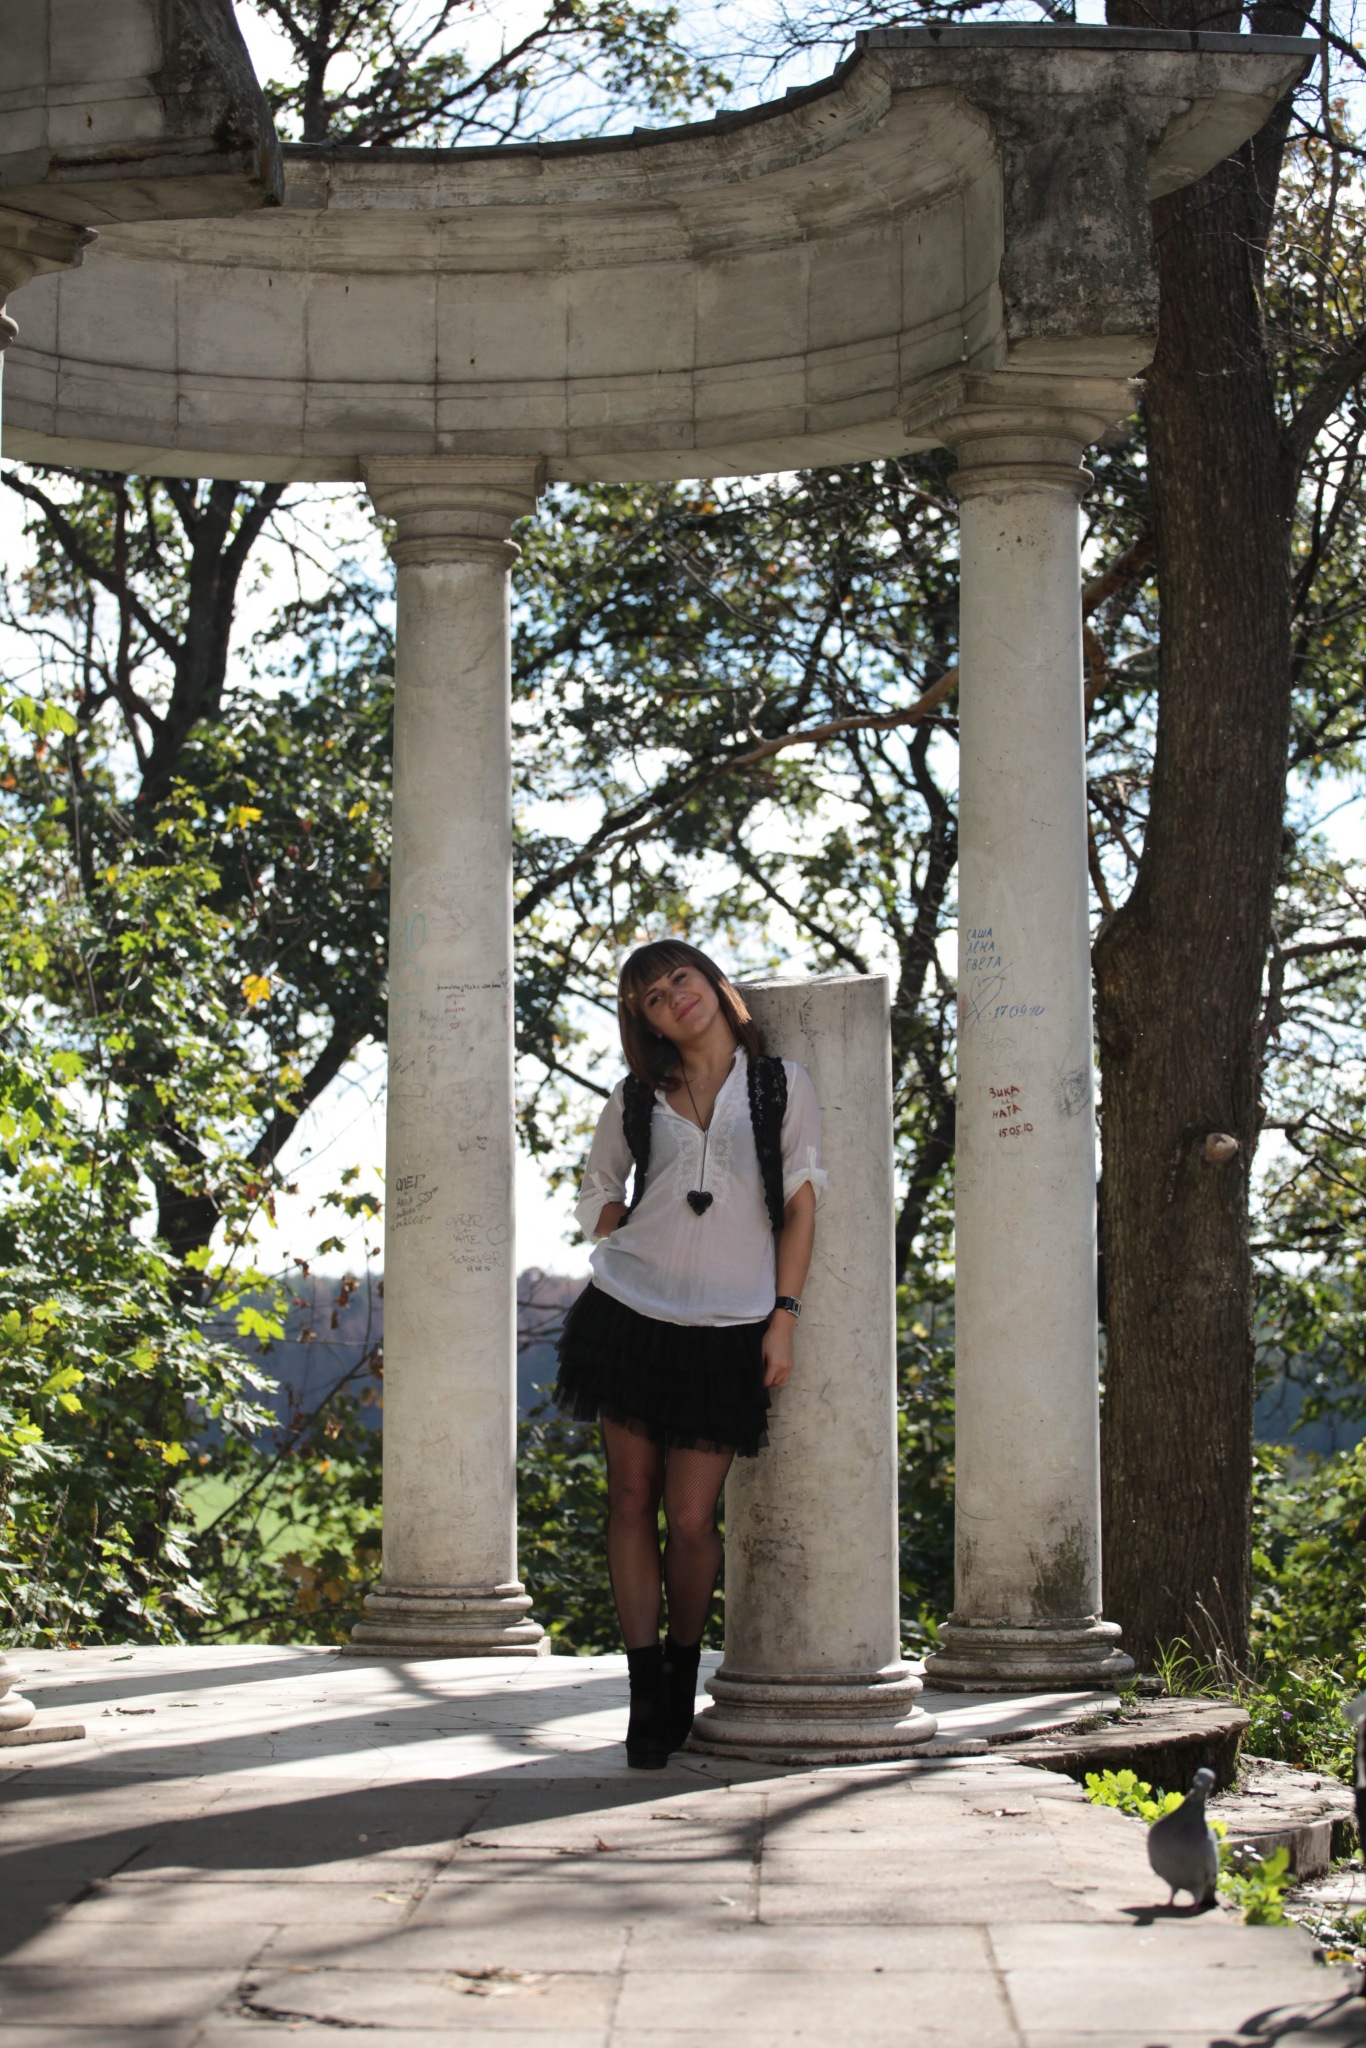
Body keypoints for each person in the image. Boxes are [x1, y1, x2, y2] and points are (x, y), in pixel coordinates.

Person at [554, 939, 824, 1768]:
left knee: (694, 1516)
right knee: (631, 1498)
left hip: (730, 1327)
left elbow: (802, 1206)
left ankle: (682, 1663)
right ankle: (646, 1689)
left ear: (711, 981)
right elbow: (596, 1189)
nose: (674, 996)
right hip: (629, 1315)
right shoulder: (638, 1096)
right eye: (652, 996)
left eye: (681, 977)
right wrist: (631, 1229)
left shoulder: (779, 1085)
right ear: (647, 1023)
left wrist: (783, 1319)